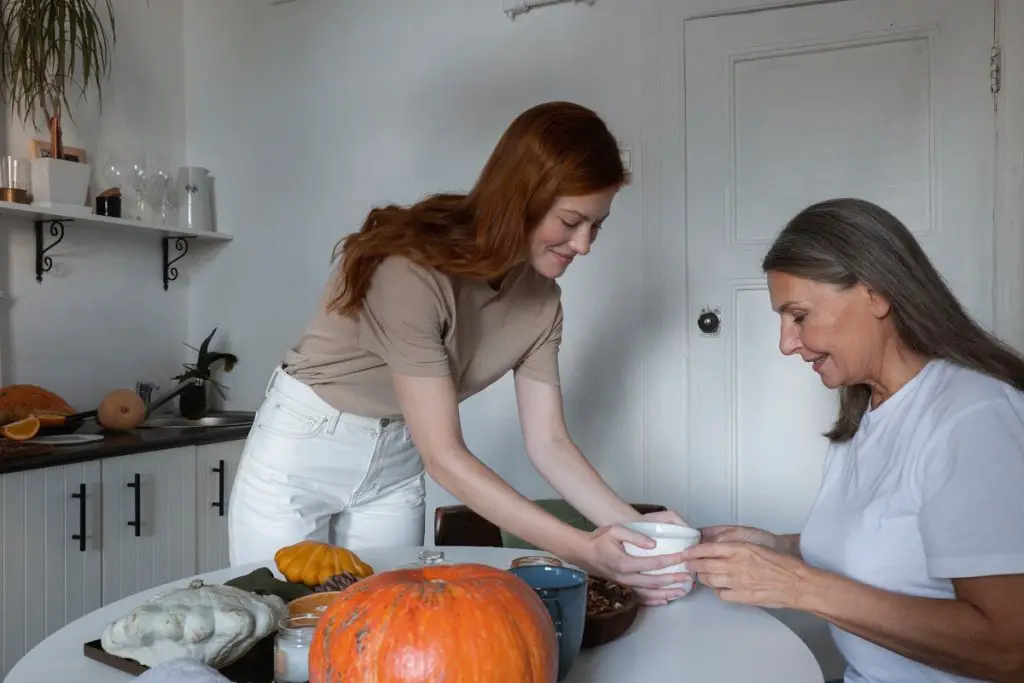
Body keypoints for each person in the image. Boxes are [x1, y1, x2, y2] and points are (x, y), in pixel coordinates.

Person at [227, 101, 691, 605]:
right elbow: (444, 455)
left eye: (596, 226)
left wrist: (636, 530)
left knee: (387, 621)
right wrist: (583, 549)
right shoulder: (409, 271)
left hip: (397, 457)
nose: (583, 245)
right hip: (307, 443)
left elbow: (550, 442)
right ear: (521, 197)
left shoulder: (542, 302)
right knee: (280, 622)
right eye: (572, 221)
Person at [682, 198, 1024, 683]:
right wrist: (777, 547)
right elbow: (902, 548)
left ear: (877, 294)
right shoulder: (870, 409)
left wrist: (797, 587)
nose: (786, 343)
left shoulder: (974, 418)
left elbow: (1011, 649)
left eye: (798, 315)